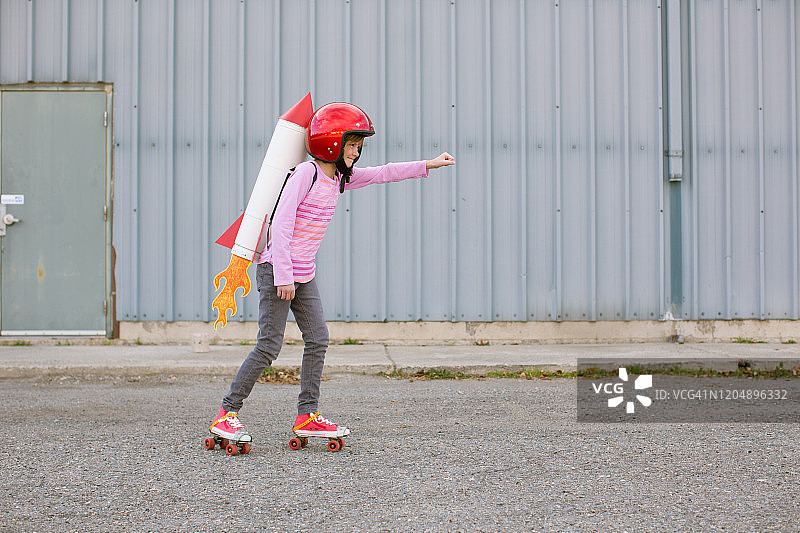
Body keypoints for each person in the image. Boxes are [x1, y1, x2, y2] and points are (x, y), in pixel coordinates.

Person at [209, 102, 455, 446]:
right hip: (275, 271)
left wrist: (427, 164)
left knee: (318, 339)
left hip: (304, 275)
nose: (356, 152)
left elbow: (383, 172)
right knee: (269, 346)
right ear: (331, 143)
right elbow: (280, 225)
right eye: (352, 144)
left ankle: (307, 415)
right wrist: (282, 275)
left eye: (358, 146)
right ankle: (228, 413)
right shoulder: (305, 175)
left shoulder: (338, 178)